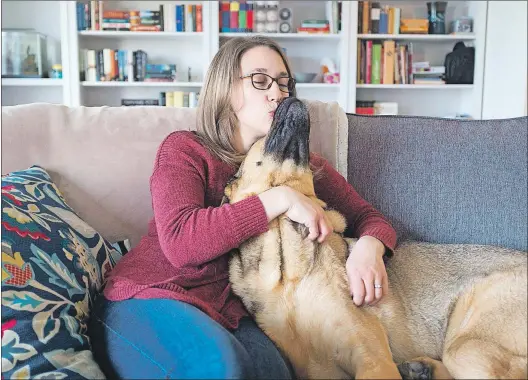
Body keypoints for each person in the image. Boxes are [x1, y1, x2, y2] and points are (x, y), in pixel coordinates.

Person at [89, 36, 397, 380]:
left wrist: (370, 248)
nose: (277, 94)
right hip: (152, 295)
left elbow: (370, 219)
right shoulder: (186, 149)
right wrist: (278, 199)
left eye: (284, 83)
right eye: (260, 80)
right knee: (222, 370)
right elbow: (181, 243)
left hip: (233, 313)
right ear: (225, 89)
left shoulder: (297, 161)